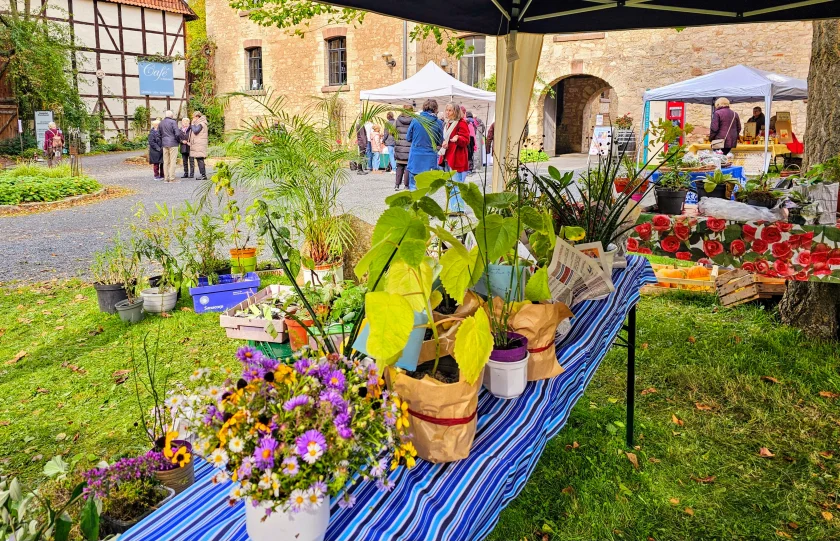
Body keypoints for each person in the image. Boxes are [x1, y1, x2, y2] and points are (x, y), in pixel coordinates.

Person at [439, 102, 471, 213]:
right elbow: (447, 139)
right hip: (447, 156)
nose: (447, 112)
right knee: (450, 184)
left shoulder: (461, 123)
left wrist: (458, 138)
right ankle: (453, 208)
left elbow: (466, 140)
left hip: (456, 157)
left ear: (455, 111)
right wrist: (445, 144)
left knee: (456, 184)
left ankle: (458, 209)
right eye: (446, 110)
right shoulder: (447, 123)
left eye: (450, 110)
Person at [406, 99, 443, 191]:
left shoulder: (415, 120)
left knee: (413, 186)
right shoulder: (439, 123)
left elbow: (408, 137)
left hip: (415, 157)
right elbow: (440, 141)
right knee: (426, 187)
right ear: (435, 109)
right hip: (430, 158)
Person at [393, 106, 412, 190]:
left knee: (399, 166)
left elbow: (392, 132)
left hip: (399, 146)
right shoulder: (414, 120)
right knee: (407, 167)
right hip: (409, 147)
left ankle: (397, 185)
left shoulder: (397, 120)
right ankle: (406, 185)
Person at [159, 110, 180, 182]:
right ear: (172, 116)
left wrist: (162, 141)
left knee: (165, 161)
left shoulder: (161, 122)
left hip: (164, 144)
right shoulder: (173, 122)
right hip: (173, 143)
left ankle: (166, 177)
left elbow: (159, 134)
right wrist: (178, 141)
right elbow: (177, 133)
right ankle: (171, 178)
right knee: (173, 161)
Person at [189, 111, 209, 180]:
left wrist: (192, 124)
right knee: (199, 159)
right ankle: (202, 174)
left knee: (200, 159)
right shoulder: (200, 123)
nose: (193, 119)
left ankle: (203, 175)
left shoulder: (201, 123)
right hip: (198, 144)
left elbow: (195, 131)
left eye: (193, 117)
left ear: (197, 117)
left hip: (199, 144)